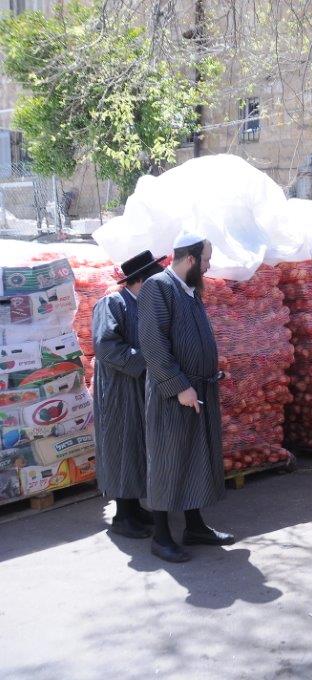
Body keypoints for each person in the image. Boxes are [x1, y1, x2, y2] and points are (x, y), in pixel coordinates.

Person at [137, 231, 233, 564]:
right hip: (174, 395)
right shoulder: (158, 287)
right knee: (168, 461)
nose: (209, 266)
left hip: (198, 390)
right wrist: (179, 386)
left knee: (194, 458)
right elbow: (153, 345)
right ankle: (161, 537)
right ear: (190, 259)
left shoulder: (188, 291)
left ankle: (195, 526)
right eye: (206, 259)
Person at [92, 250, 166, 539]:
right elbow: (106, 346)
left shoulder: (145, 305)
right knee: (121, 445)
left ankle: (134, 508)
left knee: (137, 445)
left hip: (141, 385)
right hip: (119, 389)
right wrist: (146, 359)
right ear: (140, 280)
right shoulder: (112, 303)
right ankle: (122, 516)